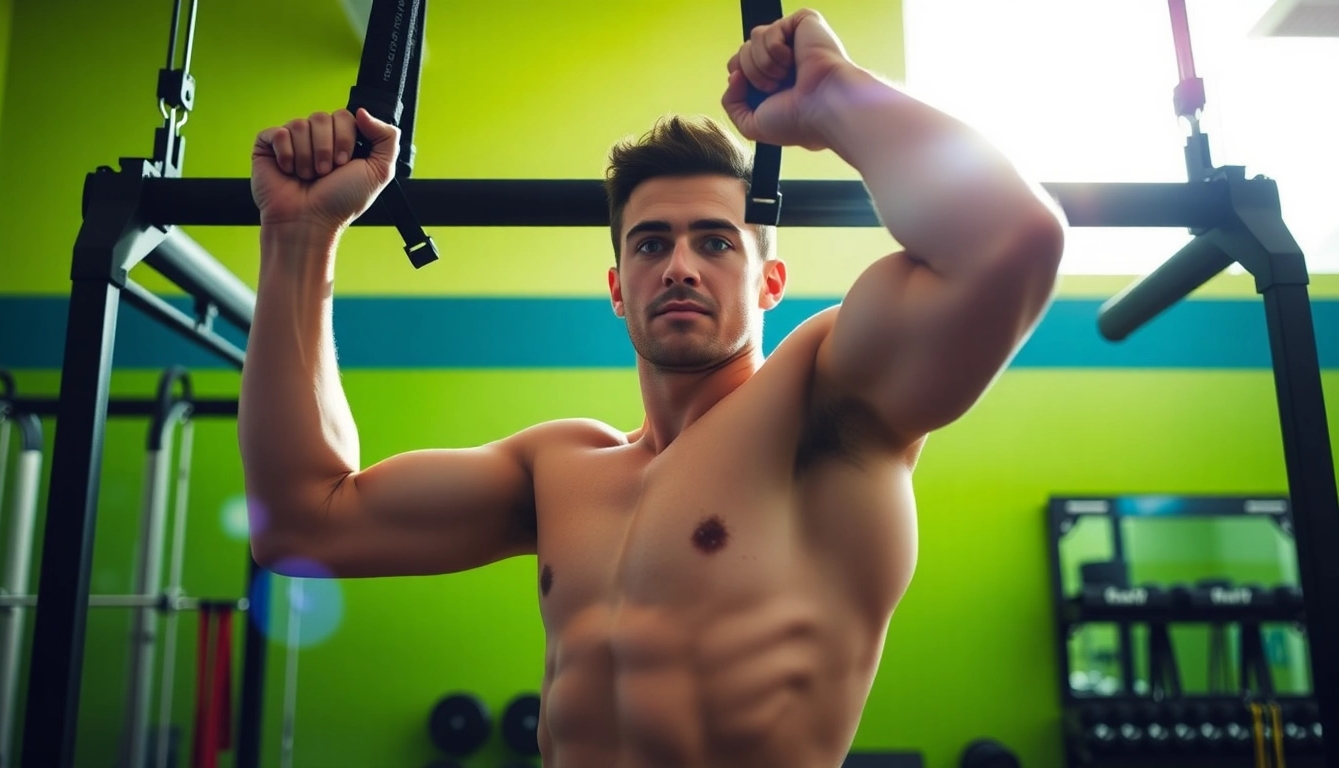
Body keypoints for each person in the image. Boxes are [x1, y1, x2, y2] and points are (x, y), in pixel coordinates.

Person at [240, 8, 1065, 768]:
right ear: (616, 285)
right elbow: (301, 521)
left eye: (715, 243)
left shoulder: (823, 408)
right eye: (649, 245)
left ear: (770, 282)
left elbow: (1011, 239)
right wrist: (300, 237)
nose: (678, 267)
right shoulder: (558, 468)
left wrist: (831, 99)